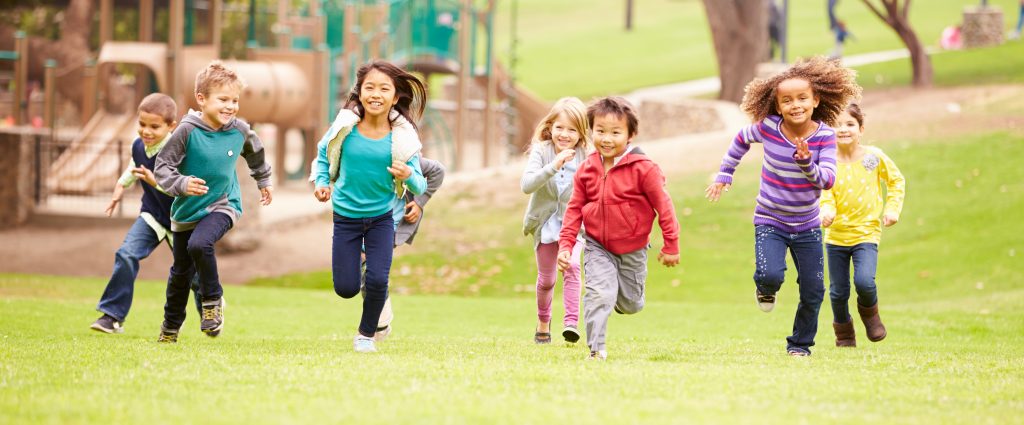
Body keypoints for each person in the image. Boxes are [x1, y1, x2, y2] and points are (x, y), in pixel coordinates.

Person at [705, 56, 860, 357]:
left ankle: (800, 345)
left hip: (808, 225)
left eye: (802, 98)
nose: (795, 105)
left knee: (814, 290)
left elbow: (827, 180)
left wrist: (806, 165)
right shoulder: (769, 128)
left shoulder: (825, 137)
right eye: (787, 100)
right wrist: (726, 172)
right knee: (770, 275)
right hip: (770, 219)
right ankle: (765, 287)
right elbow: (740, 139)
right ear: (777, 106)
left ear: (816, 100)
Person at [154, 61, 274, 343]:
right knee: (180, 274)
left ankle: (212, 302)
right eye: (223, 99)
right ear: (202, 99)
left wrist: (263, 180)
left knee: (200, 243)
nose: (231, 106)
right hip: (186, 211)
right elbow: (163, 168)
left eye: (234, 100)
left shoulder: (240, 130)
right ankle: (170, 327)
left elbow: (255, 152)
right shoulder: (186, 131)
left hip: (224, 204)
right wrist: (182, 184)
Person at [313, 61, 427, 353]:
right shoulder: (344, 127)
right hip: (346, 217)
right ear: (360, 92)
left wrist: (408, 176)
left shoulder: (402, 137)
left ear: (396, 96)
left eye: (384, 88)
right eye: (370, 87)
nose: (376, 94)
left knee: (378, 279)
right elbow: (324, 155)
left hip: (382, 218)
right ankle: (372, 312)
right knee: (346, 288)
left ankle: (366, 334)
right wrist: (322, 182)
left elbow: (421, 186)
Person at [556, 97, 680, 360]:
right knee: (599, 293)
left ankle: (621, 299)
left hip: (633, 248)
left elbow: (665, 207)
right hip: (597, 245)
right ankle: (596, 349)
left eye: (615, 132)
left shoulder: (645, 170)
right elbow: (574, 209)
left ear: (630, 134)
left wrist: (671, 244)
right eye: (600, 131)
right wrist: (566, 245)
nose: (607, 139)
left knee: (631, 303)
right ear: (591, 132)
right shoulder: (586, 170)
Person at [90, 93, 201, 334]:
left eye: (154, 126)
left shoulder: (179, 150)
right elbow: (134, 167)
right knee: (126, 254)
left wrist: (156, 182)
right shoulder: (139, 145)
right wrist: (120, 188)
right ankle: (111, 316)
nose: (146, 131)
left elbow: (186, 189)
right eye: (142, 124)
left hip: (180, 221)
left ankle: (211, 310)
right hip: (151, 217)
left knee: (194, 276)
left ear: (171, 126)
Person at [820, 103, 905, 347]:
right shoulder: (827, 163)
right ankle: (844, 333)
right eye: (836, 125)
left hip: (866, 234)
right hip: (835, 237)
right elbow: (824, 193)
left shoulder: (873, 157)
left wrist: (892, 209)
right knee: (838, 292)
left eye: (849, 124)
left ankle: (871, 315)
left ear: (861, 129)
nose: (843, 129)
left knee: (865, 282)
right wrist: (826, 211)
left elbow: (896, 180)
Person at [521, 97, 590, 345]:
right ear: (550, 126)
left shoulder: (586, 156)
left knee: (572, 266)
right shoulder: (542, 151)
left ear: (581, 133)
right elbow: (527, 186)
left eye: (572, 129)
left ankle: (571, 324)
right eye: (560, 127)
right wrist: (554, 165)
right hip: (545, 224)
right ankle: (543, 321)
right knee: (547, 280)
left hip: (575, 226)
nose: (564, 134)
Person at [366, 156, 446, 342]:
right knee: (360, 275)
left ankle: (378, 324)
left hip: (390, 222)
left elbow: (437, 171)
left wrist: (419, 202)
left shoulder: (401, 156)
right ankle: (380, 321)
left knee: (371, 269)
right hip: (359, 218)